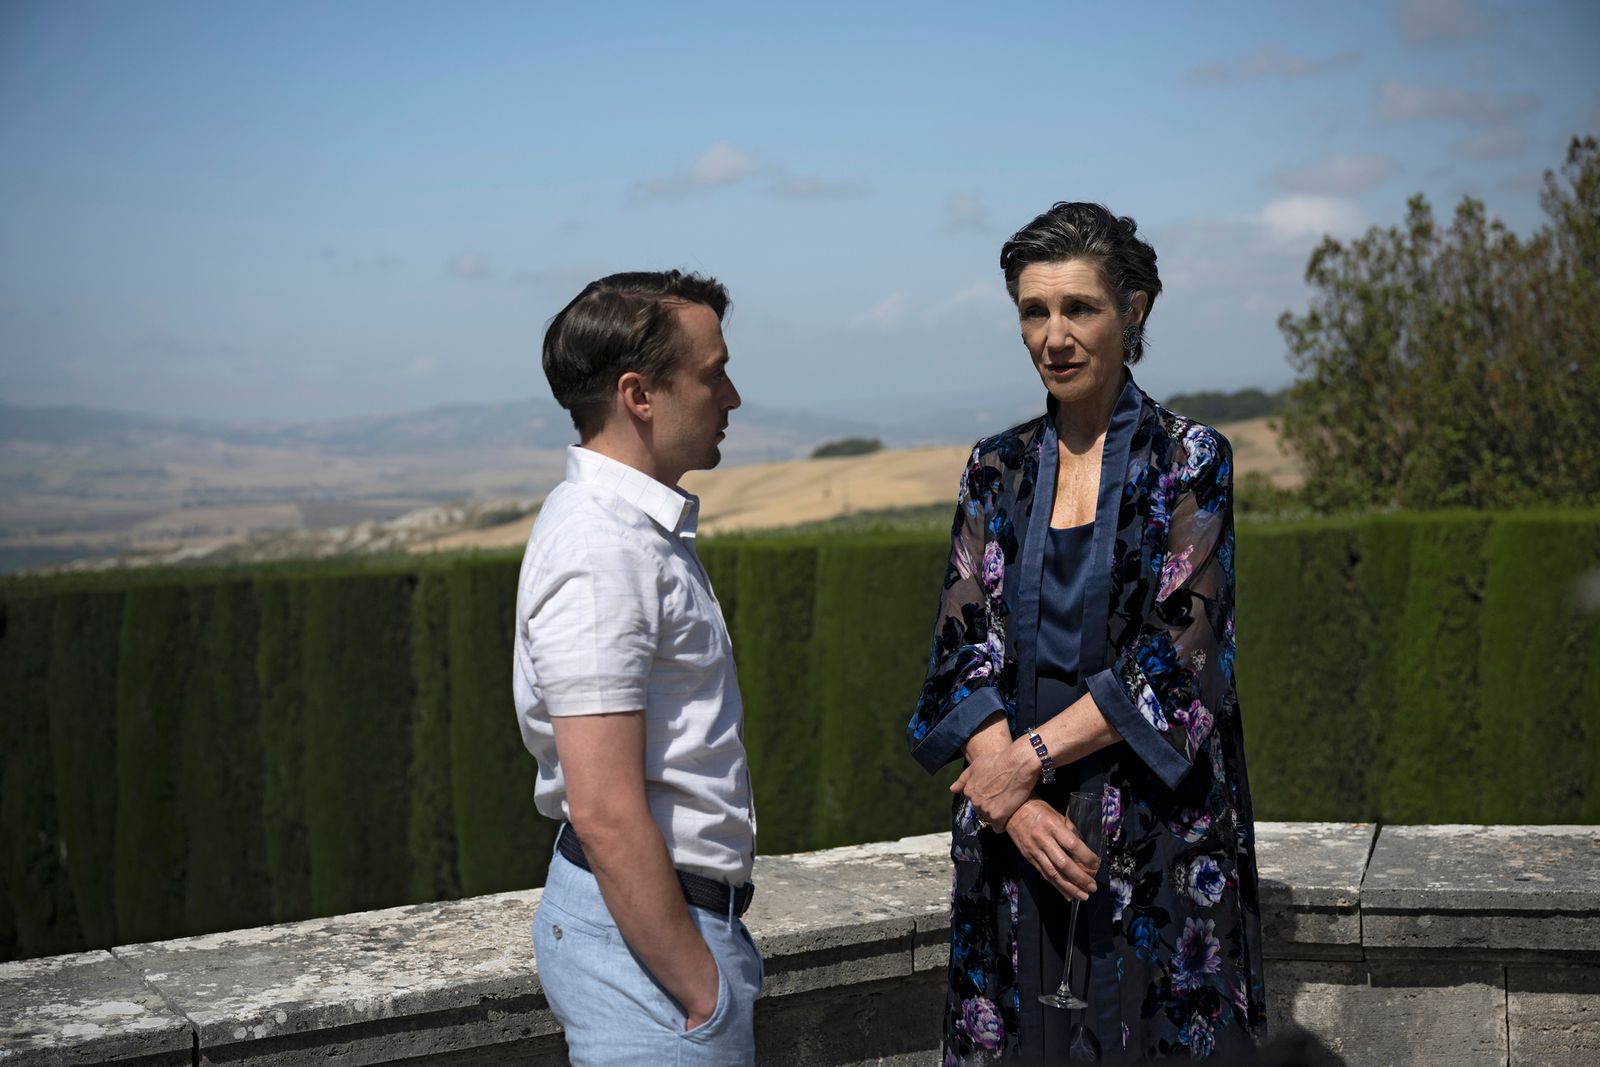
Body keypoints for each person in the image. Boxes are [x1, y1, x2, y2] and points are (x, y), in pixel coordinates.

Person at [907, 203, 1266, 1063]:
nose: (1054, 335)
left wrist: (1021, 761)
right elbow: (964, 643)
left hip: (1154, 840)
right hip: (1016, 838)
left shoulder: (1191, 460)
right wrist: (1018, 803)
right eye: (1035, 311)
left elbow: (1181, 657)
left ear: (1134, 310)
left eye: (1080, 308)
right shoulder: (995, 466)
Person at [514, 270, 761, 1066]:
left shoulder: (629, 533)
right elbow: (607, 808)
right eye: (711, 371)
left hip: (655, 945)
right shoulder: (601, 547)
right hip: (651, 961)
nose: (731, 396)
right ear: (639, 394)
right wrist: (701, 991)